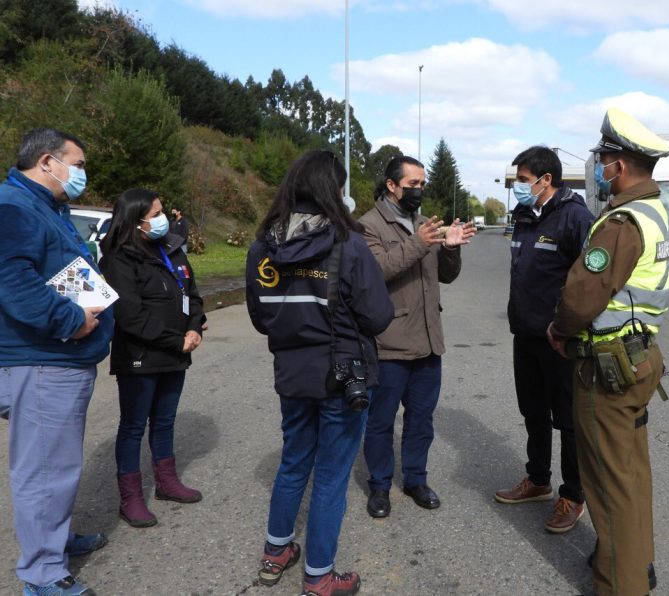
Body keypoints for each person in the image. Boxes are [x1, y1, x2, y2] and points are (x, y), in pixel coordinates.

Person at [246, 150, 393, 596]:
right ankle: (319, 577)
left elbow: (260, 316)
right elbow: (378, 315)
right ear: (333, 190)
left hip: (291, 374)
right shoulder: (347, 244)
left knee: (293, 462)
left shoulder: (263, 247)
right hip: (342, 378)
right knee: (330, 476)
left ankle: (276, 554)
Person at [546, 108, 669, 596]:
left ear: (619, 166)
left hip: (608, 368)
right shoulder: (656, 210)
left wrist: (559, 329)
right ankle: (635, 564)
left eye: (601, 159)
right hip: (640, 357)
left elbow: (581, 297)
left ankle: (621, 584)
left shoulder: (621, 221)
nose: (597, 167)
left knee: (608, 485)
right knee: (632, 477)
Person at [0, 128, 114, 596]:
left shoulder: (46, 207)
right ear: (48, 161)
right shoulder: (15, 206)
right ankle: (44, 575)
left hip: (57, 358)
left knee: (55, 463)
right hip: (45, 358)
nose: (82, 173)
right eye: (79, 163)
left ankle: (54, 541)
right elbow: (13, 281)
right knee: (46, 468)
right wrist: (70, 320)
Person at [359, 156, 475, 518]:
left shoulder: (425, 224)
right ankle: (379, 485)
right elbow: (375, 272)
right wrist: (420, 244)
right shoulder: (367, 226)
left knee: (421, 419)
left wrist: (451, 248)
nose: (419, 190)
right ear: (392, 186)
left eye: (422, 183)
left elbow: (446, 275)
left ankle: (415, 478)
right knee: (381, 420)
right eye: (413, 184)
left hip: (428, 341)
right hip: (390, 342)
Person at [495, 146, 594, 533]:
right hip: (526, 335)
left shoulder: (576, 218)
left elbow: (588, 283)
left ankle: (573, 494)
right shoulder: (523, 216)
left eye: (522, 180)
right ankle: (538, 479)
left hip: (561, 341)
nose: (518, 187)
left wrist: (566, 330)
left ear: (545, 180)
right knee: (533, 412)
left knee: (568, 421)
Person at [98, 188, 206, 529]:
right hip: (141, 357)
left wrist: (193, 328)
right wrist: (177, 340)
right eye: (155, 214)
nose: (163, 220)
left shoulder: (171, 249)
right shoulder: (119, 259)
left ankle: (167, 481)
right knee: (133, 426)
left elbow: (192, 293)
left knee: (165, 421)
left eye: (162, 212)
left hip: (177, 353)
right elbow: (131, 316)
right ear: (135, 221)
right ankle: (130, 498)